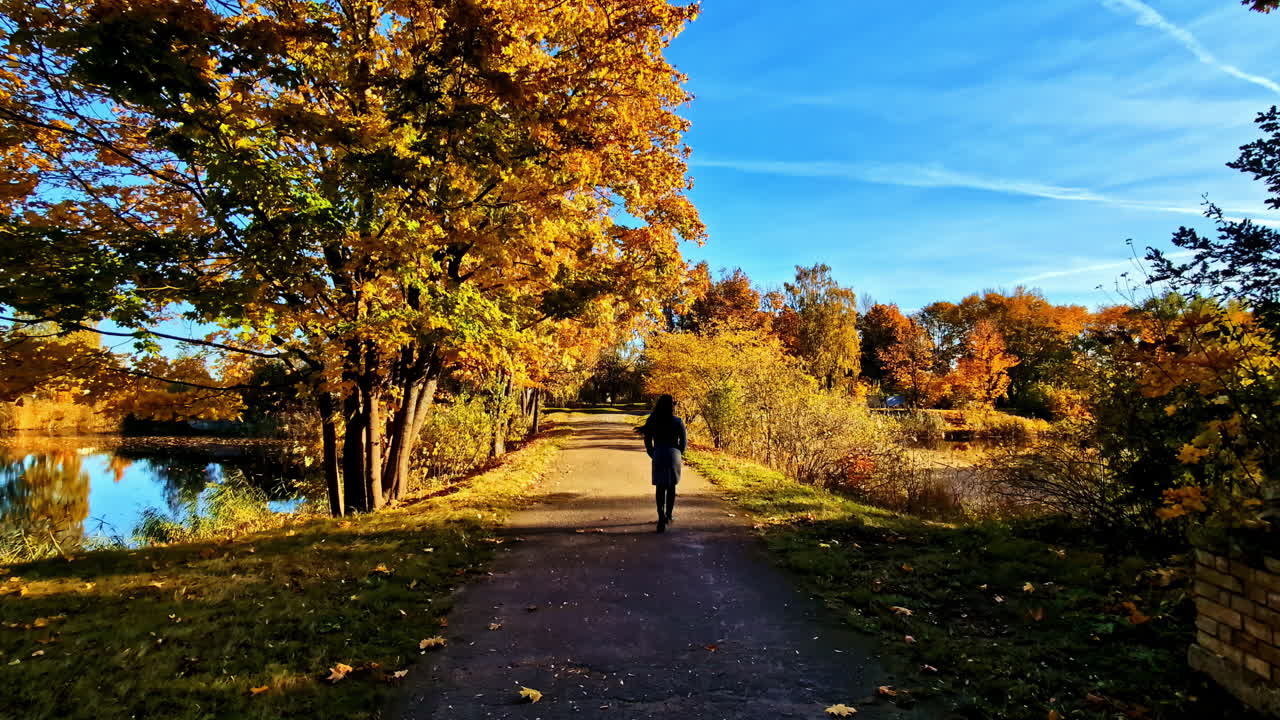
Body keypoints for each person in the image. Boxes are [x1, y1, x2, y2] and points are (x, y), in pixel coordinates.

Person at [635, 394, 687, 532]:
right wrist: (678, 453)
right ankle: (669, 515)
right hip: (673, 455)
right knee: (671, 486)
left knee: (660, 487)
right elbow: (684, 443)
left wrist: (652, 453)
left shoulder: (653, 420)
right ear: (671, 406)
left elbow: (647, 440)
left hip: (659, 453)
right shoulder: (677, 421)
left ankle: (661, 518)